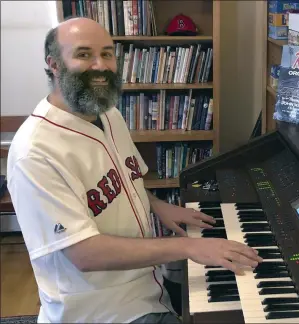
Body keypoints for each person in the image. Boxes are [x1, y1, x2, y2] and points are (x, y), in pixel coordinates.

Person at [6, 17, 262, 323]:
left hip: (146, 284)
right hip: (103, 311)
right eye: (84, 54)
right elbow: (85, 254)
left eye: (107, 54)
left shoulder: (109, 114)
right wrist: (188, 246)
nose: (100, 65)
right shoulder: (35, 152)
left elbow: (128, 179)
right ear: (54, 64)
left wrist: (158, 206)